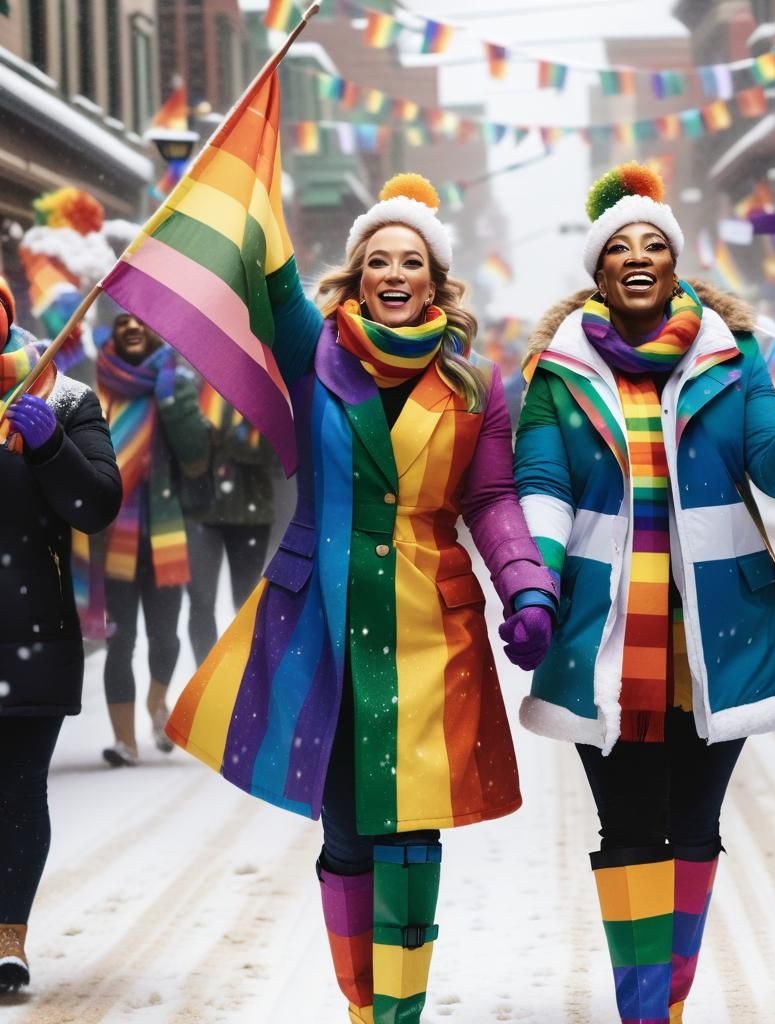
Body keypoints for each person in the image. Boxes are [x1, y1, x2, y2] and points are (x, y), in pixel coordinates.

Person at [164, 174, 556, 1024]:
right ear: (356, 275)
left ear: (434, 281)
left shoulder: (479, 385)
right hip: (325, 620)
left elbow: (489, 500)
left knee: (412, 835)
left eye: (410, 260)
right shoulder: (314, 353)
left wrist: (525, 584)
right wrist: (253, 183)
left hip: (430, 627)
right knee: (346, 830)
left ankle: (398, 1017)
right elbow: (268, 282)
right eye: (376, 259)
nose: (392, 272)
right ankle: (362, 1008)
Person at [512, 164, 775, 1023]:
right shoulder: (557, 373)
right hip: (605, 639)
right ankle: (644, 1012)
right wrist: (534, 590)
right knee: (628, 834)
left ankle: (669, 1001)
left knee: (694, 830)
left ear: (674, 265)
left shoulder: (732, 362)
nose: (637, 256)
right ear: (598, 271)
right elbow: (542, 487)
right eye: (619, 245)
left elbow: (774, 471)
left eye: (653, 244)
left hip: (718, 639)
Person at [0, 277, 121, 991]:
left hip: (32, 631)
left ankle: (8, 935)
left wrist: (48, 446)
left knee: (16, 790)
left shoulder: (65, 398)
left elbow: (96, 505)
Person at [96, 313, 210, 767]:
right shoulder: (96, 389)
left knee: (165, 636)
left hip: (164, 532)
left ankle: (156, 704)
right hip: (112, 536)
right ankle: (125, 742)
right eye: (123, 321)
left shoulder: (177, 385)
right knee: (118, 642)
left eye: (141, 321)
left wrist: (174, 401)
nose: (132, 327)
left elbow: (197, 457)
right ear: (113, 332)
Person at [186, 388, 277, 665]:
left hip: (251, 513)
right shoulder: (193, 388)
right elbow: (184, 448)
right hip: (201, 509)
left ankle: (243, 677)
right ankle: (203, 675)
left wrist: (228, 440)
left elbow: (274, 456)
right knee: (201, 601)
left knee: (246, 603)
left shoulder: (266, 391)